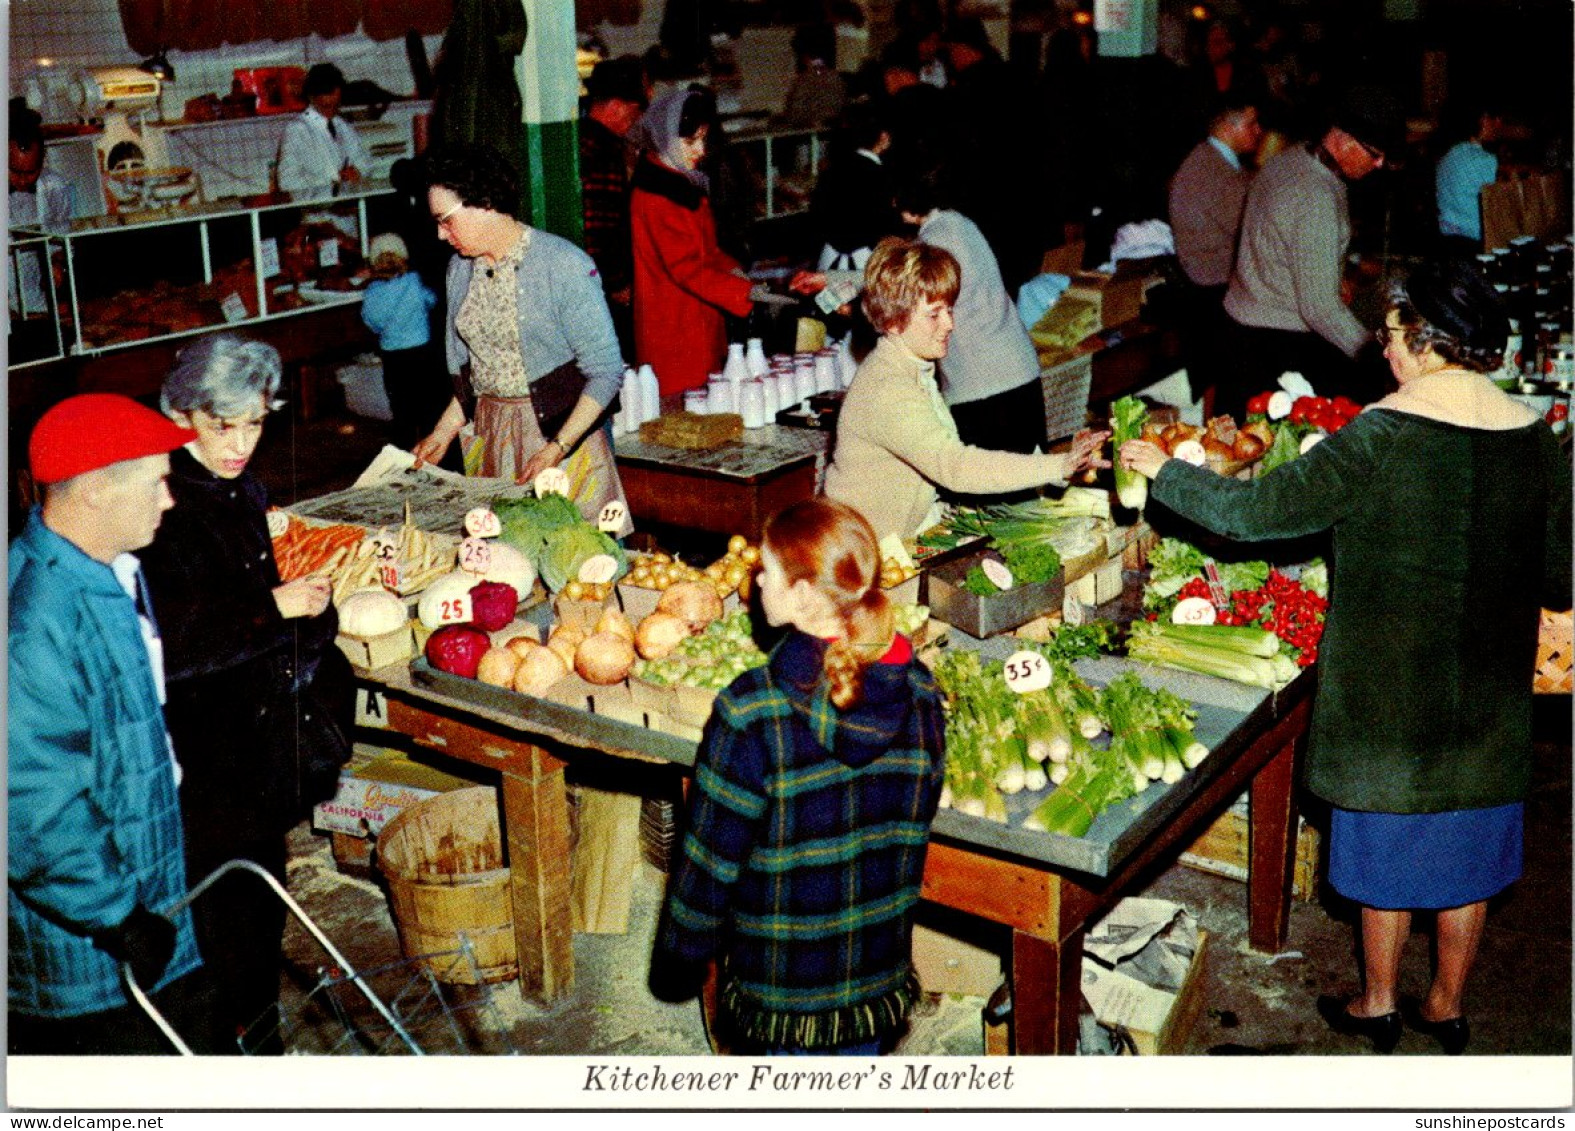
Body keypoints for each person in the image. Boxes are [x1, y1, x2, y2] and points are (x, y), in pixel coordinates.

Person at [1120, 258, 1571, 1056]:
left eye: (1392, 335)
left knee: (1388, 859)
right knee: (1467, 855)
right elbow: (1561, 571)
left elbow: (1254, 513)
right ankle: (1445, 1002)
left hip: (1387, 707)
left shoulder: (1380, 435)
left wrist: (1165, 473)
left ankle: (1376, 1000)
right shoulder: (1535, 441)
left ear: (1428, 342)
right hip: (1488, 703)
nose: (1384, 351)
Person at [650, 497, 946, 1055]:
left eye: (769, 571)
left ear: (805, 595)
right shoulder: (922, 692)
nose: (756, 580)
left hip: (782, 990)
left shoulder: (750, 711)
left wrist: (679, 962)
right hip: (876, 975)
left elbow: (709, 863)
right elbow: (918, 815)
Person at [138, 335, 355, 1053]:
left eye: (253, 423)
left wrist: (304, 613)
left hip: (248, 733)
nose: (238, 443)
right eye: (220, 424)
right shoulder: (160, 506)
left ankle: (257, 1040)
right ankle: (240, 1055)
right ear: (181, 415)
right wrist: (276, 610)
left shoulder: (240, 488)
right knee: (227, 911)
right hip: (200, 747)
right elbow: (172, 645)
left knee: (261, 898)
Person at [9, 394, 221, 1056]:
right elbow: (32, 806)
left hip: (144, 905)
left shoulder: (97, 574)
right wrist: (119, 914)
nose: (170, 499)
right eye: (156, 480)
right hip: (89, 961)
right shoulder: (32, 622)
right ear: (96, 490)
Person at [823, 238, 1108, 543]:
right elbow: (955, 466)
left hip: (888, 539)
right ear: (893, 322)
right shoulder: (888, 388)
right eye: (934, 314)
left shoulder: (912, 365)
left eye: (949, 309)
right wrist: (1059, 465)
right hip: (859, 551)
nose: (949, 324)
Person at [413, 144, 632, 532]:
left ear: (483, 202)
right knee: (502, 560)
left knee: (579, 558)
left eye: (446, 220)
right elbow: (474, 371)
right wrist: (443, 431)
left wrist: (558, 448)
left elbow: (606, 371)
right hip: (492, 431)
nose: (441, 235)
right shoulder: (460, 269)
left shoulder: (562, 263)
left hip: (560, 433)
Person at [1218, 83, 1405, 421]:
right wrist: (1381, 358)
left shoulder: (1290, 159)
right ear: (1343, 139)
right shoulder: (1316, 196)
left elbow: (1287, 245)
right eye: (1374, 153)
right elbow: (1320, 310)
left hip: (1241, 329)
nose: (1379, 164)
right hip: (1276, 348)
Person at [629, 89, 759, 399]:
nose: (700, 150)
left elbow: (709, 251)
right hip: (673, 327)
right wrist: (744, 293)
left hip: (696, 319)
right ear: (663, 138)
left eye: (703, 139)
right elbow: (685, 267)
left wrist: (737, 273)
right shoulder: (656, 195)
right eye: (690, 142)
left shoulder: (681, 183)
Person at [1167, 91, 1264, 406]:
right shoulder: (1211, 171)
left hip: (1212, 288)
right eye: (1252, 123)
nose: (1258, 131)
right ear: (1228, 126)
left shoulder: (1217, 162)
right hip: (1210, 293)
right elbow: (1249, 229)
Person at [580, 57, 648, 355]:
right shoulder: (605, 150)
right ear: (617, 106)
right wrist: (618, 281)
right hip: (605, 286)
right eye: (635, 111)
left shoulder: (580, 137)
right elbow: (598, 225)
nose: (637, 120)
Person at [360, 232, 446, 452]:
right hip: (422, 352)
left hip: (393, 356)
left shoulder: (372, 292)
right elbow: (432, 300)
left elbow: (373, 323)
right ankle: (429, 449)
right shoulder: (415, 281)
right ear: (404, 257)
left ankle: (404, 450)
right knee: (428, 404)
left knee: (401, 407)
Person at [276, 63, 372, 200]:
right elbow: (287, 181)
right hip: (316, 214)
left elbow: (364, 159)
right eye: (326, 106)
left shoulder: (343, 126)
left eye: (336, 105)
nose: (331, 111)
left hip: (346, 213)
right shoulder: (297, 129)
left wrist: (357, 171)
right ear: (311, 98)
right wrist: (329, 183)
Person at [1435, 102, 1508, 259]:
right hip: (1474, 244)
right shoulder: (1486, 160)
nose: (1500, 125)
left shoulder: (1447, 157)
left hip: (1446, 240)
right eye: (1497, 119)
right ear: (1484, 120)